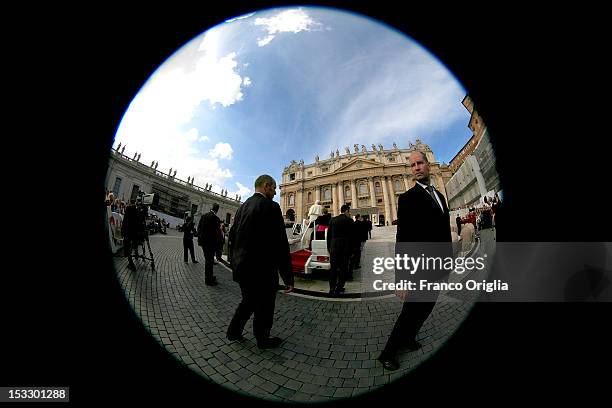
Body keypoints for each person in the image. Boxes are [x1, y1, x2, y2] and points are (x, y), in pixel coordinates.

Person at [378, 150, 452, 371]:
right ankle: (388, 353)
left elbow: (444, 232)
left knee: (426, 309)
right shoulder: (407, 199)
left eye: (420, 163)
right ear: (410, 170)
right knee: (410, 313)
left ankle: (409, 338)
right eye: (413, 165)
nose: (417, 167)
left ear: (427, 165)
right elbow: (404, 240)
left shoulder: (439, 196)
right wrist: (402, 278)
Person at [226, 175, 294, 349]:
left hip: (242, 267)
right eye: (274, 188)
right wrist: (287, 277)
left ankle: (234, 331)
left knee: (248, 301)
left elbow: (232, 237)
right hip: (262, 270)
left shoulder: (242, 207)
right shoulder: (271, 206)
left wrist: (234, 263)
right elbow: (280, 243)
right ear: (266, 186)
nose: (276, 192)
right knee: (264, 306)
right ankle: (262, 339)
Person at [326, 204, 355, 294]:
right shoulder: (350, 221)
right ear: (346, 211)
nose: (349, 213)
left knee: (333, 269)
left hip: (334, 247)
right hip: (345, 249)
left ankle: (331, 288)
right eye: (349, 211)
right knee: (343, 269)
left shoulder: (333, 220)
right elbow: (352, 238)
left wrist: (329, 248)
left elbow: (329, 236)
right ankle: (339, 287)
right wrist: (353, 251)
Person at [197, 203, 221, 286]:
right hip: (211, 244)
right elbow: (217, 234)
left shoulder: (204, 216)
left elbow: (199, 229)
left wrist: (200, 241)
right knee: (209, 261)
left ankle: (209, 276)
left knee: (208, 260)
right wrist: (217, 247)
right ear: (217, 210)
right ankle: (208, 279)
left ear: (211, 207)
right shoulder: (216, 219)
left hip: (204, 243)